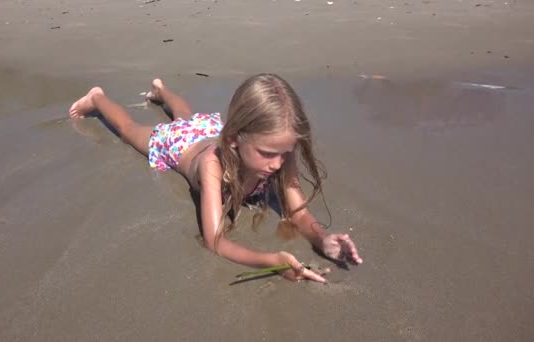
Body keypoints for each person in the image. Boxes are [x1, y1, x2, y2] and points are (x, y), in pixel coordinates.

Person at [69, 73, 362, 283]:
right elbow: (215, 240)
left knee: (186, 113)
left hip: (207, 129)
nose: (278, 164)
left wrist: (322, 240)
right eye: (267, 153)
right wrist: (271, 261)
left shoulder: (279, 152)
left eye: (286, 153)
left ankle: (160, 90)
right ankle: (97, 97)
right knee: (129, 130)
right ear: (235, 139)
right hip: (180, 144)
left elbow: (298, 212)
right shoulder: (213, 166)